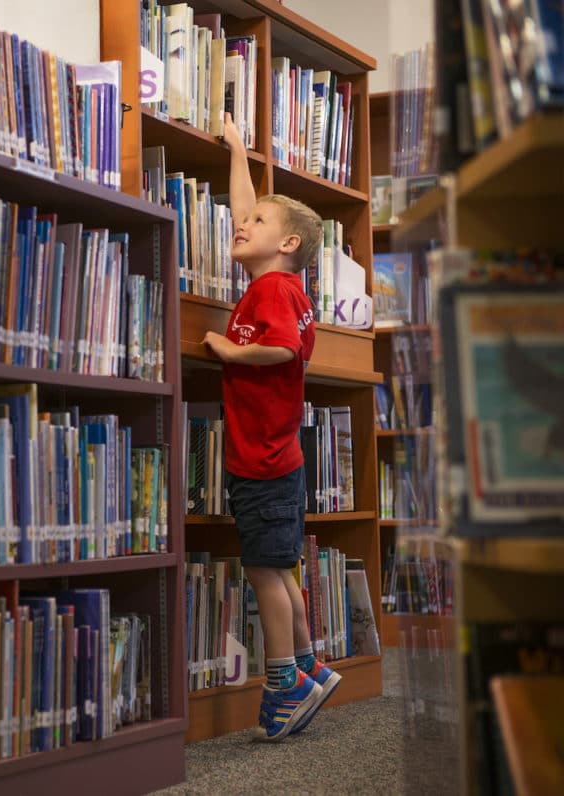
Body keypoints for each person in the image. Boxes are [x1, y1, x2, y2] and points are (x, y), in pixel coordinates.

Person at [201, 112, 340, 741]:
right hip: (277, 459)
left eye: (257, 224)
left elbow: (282, 351)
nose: (242, 223)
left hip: (262, 463)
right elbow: (246, 205)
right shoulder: (274, 281)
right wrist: (236, 148)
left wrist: (231, 354)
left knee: (263, 573)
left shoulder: (275, 294)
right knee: (280, 569)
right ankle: (309, 667)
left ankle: (284, 684)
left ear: (285, 244)